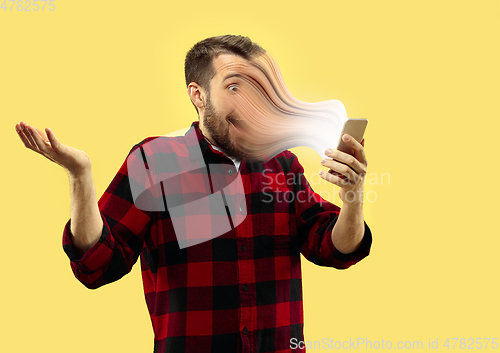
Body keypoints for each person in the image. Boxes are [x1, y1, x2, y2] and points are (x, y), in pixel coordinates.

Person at [15, 35, 372, 353]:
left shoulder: (282, 164)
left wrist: (352, 196)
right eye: (235, 88)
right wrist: (80, 176)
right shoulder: (155, 161)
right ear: (197, 94)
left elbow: (334, 249)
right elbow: (98, 264)